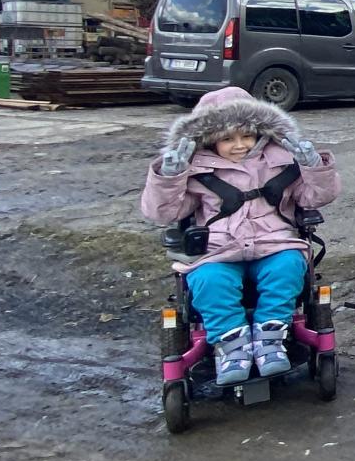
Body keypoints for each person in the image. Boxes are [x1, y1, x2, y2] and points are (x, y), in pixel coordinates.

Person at [140, 87, 340, 384]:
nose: (239, 145)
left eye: (247, 136)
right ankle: (231, 344)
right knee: (208, 280)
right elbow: (163, 213)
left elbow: (316, 197)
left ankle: (270, 334)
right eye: (228, 139)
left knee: (288, 266)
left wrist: (314, 168)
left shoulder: (281, 163)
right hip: (220, 249)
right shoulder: (196, 171)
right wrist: (168, 179)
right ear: (209, 139)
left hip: (274, 243)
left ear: (260, 133)